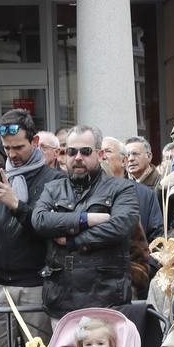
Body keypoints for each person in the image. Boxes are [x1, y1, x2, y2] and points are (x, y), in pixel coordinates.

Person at [0, 110, 65, 347]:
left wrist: (16, 205)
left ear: (35, 142)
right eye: (6, 148)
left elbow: (49, 229)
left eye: (19, 147)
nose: (12, 154)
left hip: (36, 285)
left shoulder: (54, 179)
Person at [31, 125, 140, 319]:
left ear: (99, 154)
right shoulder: (53, 188)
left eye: (85, 151)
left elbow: (121, 226)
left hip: (107, 299)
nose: (78, 157)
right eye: (71, 151)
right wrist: (86, 219)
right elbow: (40, 220)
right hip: (61, 300)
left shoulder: (122, 188)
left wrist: (73, 241)